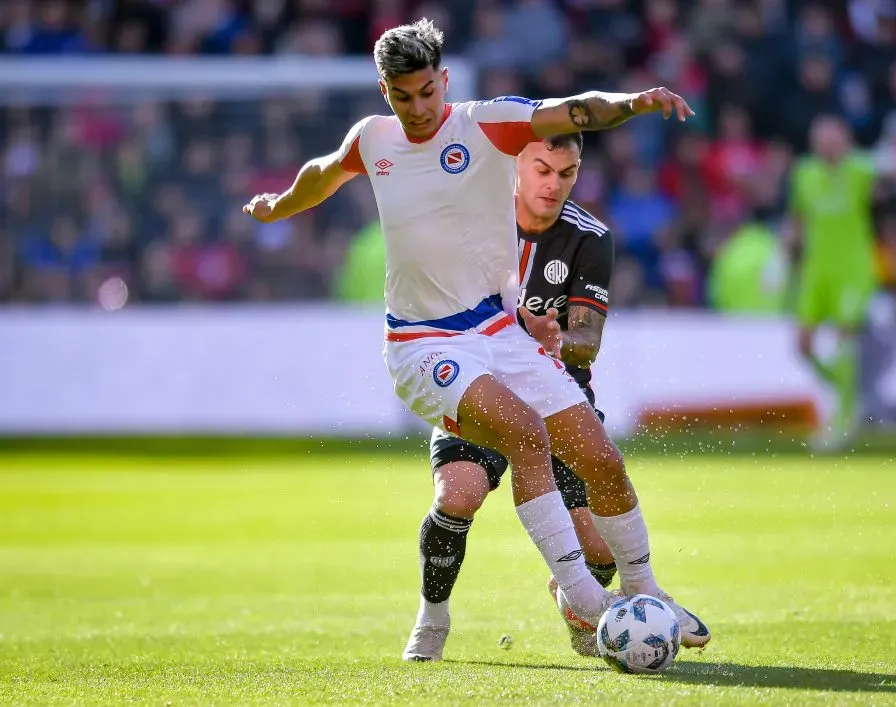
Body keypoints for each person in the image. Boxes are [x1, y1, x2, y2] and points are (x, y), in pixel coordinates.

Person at [243, 18, 710, 657]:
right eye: (402, 96)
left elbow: (573, 110)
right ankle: (587, 602)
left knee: (599, 455)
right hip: (421, 343)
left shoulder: (486, 124)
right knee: (522, 437)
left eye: (427, 93)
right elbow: (320, 175)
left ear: (445, 81)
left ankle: (645, 589)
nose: (417, 108)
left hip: (498, 329)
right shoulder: (373, 139)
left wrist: (633, 103)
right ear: (386, 92)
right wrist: (277, 206)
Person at [408, 133, 619, 661]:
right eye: (543, 170)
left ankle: (573, 601)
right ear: (517, 166)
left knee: (599, 548)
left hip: (553, 392)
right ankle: (432, 617)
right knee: (457, 496)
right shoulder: (474, 220)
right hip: (480, 385)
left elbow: (588, 342)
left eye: (566, 173)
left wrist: (559, 341)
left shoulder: (589, 238)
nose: (554, 184)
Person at [789, 115, 879, 449]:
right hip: (817, 270)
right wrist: (781, 262)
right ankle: (847, 393)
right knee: (803, 345)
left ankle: (842, 420)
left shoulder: (861, 169)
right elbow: (797, 220)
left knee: (844, 336)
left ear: (846, 141)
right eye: (822, 139)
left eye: (833, 139)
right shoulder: (804, 173)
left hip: (853, 268)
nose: (828, 145)